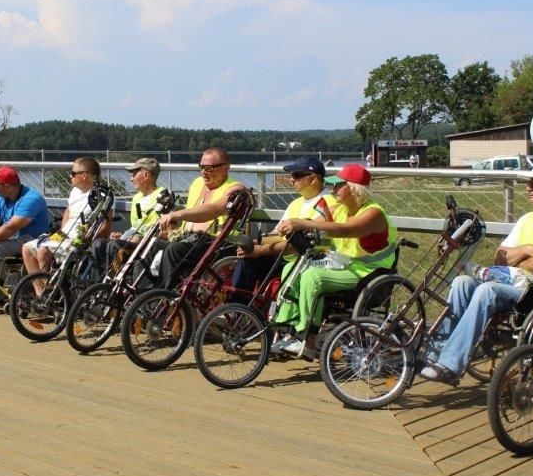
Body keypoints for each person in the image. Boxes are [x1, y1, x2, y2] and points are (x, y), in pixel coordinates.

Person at [421, 158, 533, 384]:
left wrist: (518, 258)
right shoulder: (528, 218)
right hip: (513, 282)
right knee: (462, 283)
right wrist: (529, 250)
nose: (528, 188)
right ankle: (435, 355)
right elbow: (500, 256)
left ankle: (451, 363)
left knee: (487, 290)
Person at [273, 164, 397, 356]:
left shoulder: (374, 213)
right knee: (293, 267)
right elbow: (320, 226)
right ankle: (287, 329)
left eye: (339, 185)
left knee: (313, 277)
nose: (333, 189)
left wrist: (300, 222)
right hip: (344, 266)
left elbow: (345, 229)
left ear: (355, 188)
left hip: (370, 273)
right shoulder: (341, 209)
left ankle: (308, 338)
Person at [233, 156, 336, 296]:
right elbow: (277, 234)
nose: (291, 179)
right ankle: (240, 308)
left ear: (313, 179)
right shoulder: (296, 203)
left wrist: (260, 250)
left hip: (308, 260)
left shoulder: (328, 203)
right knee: (247, 256)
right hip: (286, 256)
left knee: (254, 259)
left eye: (297, 175)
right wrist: (252, 244)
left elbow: (301, 244)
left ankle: (242, 308)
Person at [156, 147, 246, 288]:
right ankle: (144, 297)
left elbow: (214, 209)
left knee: (175, 250)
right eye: (202, 167)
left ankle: (166, 299)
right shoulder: (197, 183)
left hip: (217, 244)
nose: (204, 172)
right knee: (153, 246)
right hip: (188, 238)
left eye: (209, 168)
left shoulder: (236, 189)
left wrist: (177, 214)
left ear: (225, 168)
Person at [22, 157, 111, 293]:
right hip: (64, 236)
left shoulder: (102, 196)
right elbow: (68, 213)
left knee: (43, 251)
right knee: (26, 249)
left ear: (84, 175)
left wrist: (84, 239)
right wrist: (62, 232)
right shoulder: (74, 192)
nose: (71, 176)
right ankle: (41, 292)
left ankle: (51, 293)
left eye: (73, 173)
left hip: (80, 241)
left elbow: (105, 226)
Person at [0, 166, 50, 302]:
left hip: (33, 238)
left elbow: (10, 228)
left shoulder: (31, 198)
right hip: (14, 238)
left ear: (6, 186)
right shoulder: (0, 200)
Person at [88, 157, 169, 279]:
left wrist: (138, 236)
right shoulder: (137, 198)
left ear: (146, 175)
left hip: (150, 243)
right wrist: (122, 236)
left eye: (134, 174)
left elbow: (166, 229)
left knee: (114, 245)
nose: (131, 179)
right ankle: (96, 285)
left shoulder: (164, 195)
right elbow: (136, 225)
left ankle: (112, 285)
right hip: (134, 239)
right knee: (99, 243)